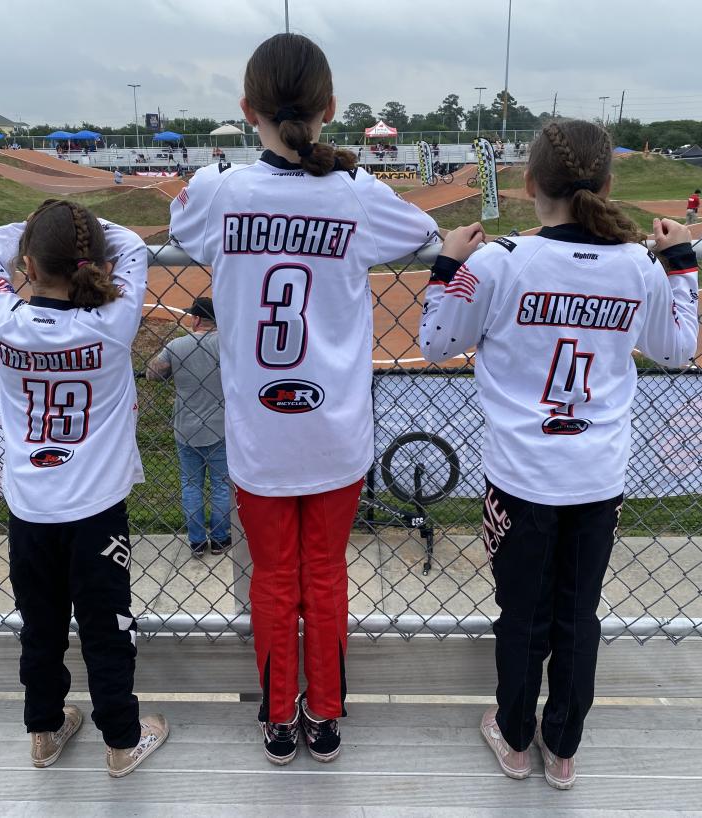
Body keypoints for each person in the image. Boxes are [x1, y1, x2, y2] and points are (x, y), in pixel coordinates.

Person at [169, 32, 438, 766]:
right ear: (329, 109)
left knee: (272, 580)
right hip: (334, 433)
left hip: (258, 433)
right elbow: (425, 231)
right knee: (325, 577)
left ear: (246, 108)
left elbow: (179, 218)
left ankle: (278, 720)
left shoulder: (222, 192)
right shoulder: (356, 195)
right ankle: (324, 716)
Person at [420, 120, 699, 790]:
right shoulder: (637, 265)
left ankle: (515, 739)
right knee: (578, 617)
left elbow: (435, 342)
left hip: (520, 476)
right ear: (607, 186)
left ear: (527, 185)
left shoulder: (500, 261)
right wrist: (682, 263)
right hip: (596, 477)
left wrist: (447, 267)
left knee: (523, 616)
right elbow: (679, 348)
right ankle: (563, 747)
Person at [0, 199, 169, 778]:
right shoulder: (112, 322)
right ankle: (122, 741)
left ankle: (45, 731)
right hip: (96, 510)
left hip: (29, 506)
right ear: (93, 263)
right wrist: (83, 236)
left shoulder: (1, 319)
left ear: (27, 264)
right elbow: (130, 243)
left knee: (42, 626)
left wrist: (33, 239)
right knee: (108, 628)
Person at [146, 297, 230, 558]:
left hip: (186, 428)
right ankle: (219, 539)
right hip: (221, 426)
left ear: (195, 319)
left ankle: (196, 542)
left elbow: (153, 374)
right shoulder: (228, 345)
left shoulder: (177, 345)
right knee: (221, 484)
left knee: (191, 484)